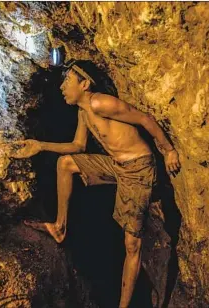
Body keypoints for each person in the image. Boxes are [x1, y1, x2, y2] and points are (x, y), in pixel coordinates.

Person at [11, 60, 181, 307]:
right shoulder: (83, 112)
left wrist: (168, 150)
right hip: (116, 165)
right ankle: (60, 227)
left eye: (67, 80)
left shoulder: (100, 103)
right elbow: (78, 146)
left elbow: (144, 118)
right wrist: (40, 146)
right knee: (66, 163)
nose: (62, 87)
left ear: (85, 83)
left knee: (132, 244)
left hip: (138, 169)